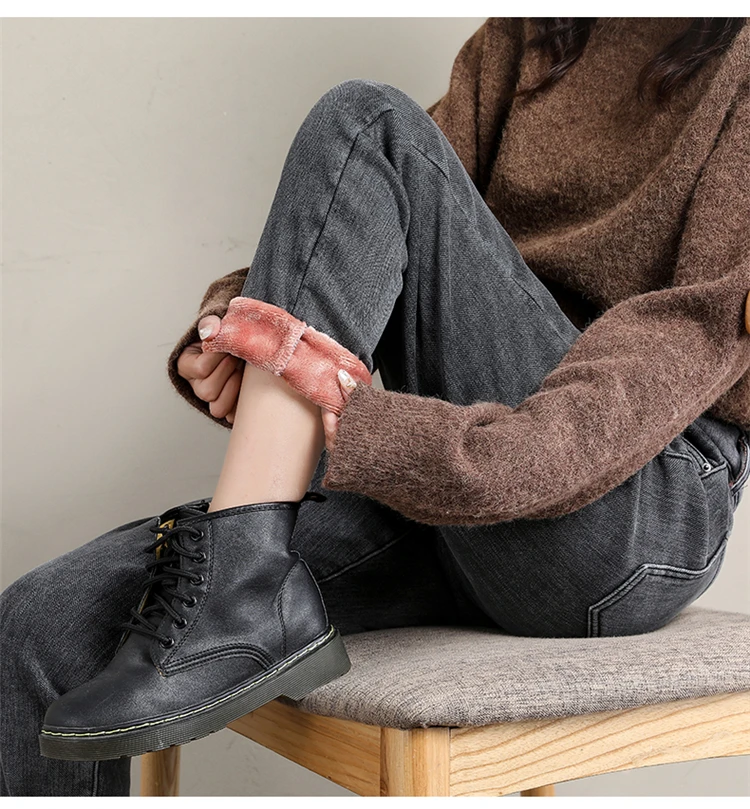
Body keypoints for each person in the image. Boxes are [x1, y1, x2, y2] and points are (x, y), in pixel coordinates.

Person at [2, 16, 749, 796]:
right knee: (41, 624)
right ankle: (244, 581)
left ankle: (241, 587)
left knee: (368, 121)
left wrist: (421, 445)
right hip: (458, 487)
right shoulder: (531, 36)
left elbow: (689, 338)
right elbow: (360, 208)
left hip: (631, 512)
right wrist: (248, 331)